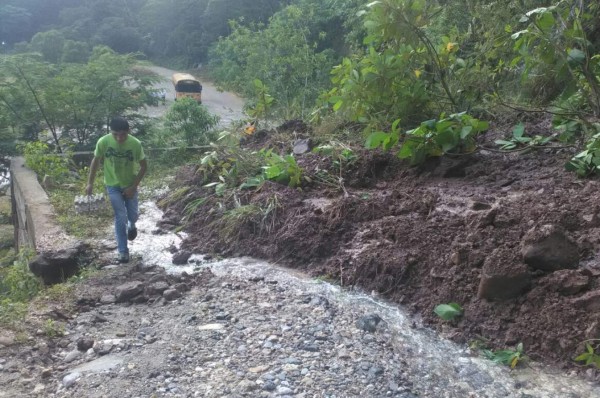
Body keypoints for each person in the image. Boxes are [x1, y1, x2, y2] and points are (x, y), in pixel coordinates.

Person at [86, 117, 147, 263]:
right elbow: (96, 161)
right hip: (112, 185)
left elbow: (144, 166)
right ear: (111, 132)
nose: (119, 138)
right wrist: (90, 183)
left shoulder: (135, 144)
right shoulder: (104, 142)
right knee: (120, 217)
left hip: (129, 184)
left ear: (128, 132)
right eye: (116, 135)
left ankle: (132, 225)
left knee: (132, 216)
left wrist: (133, 187)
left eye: (123, 135)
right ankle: (123, 252)